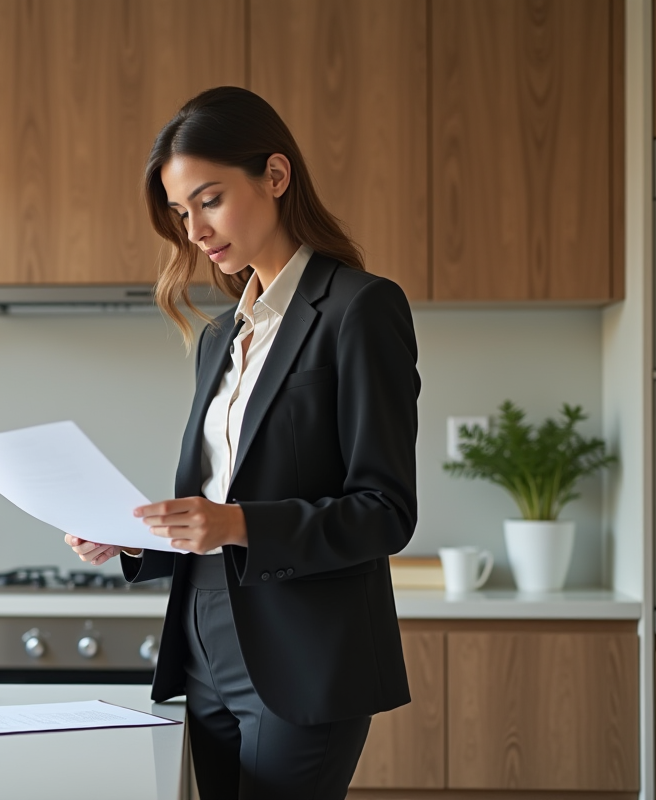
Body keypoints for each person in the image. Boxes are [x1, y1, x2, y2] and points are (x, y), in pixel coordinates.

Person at [65, 86, 421, 799]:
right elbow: (217, 505)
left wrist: (235, 523)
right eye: (179, 212)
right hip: (202, 647)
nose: (194, 230)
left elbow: (385, 510)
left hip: (304, 657)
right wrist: (137, 540)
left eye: (210, 200)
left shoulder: (359, 309)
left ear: (276, 177)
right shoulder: (221, 337)